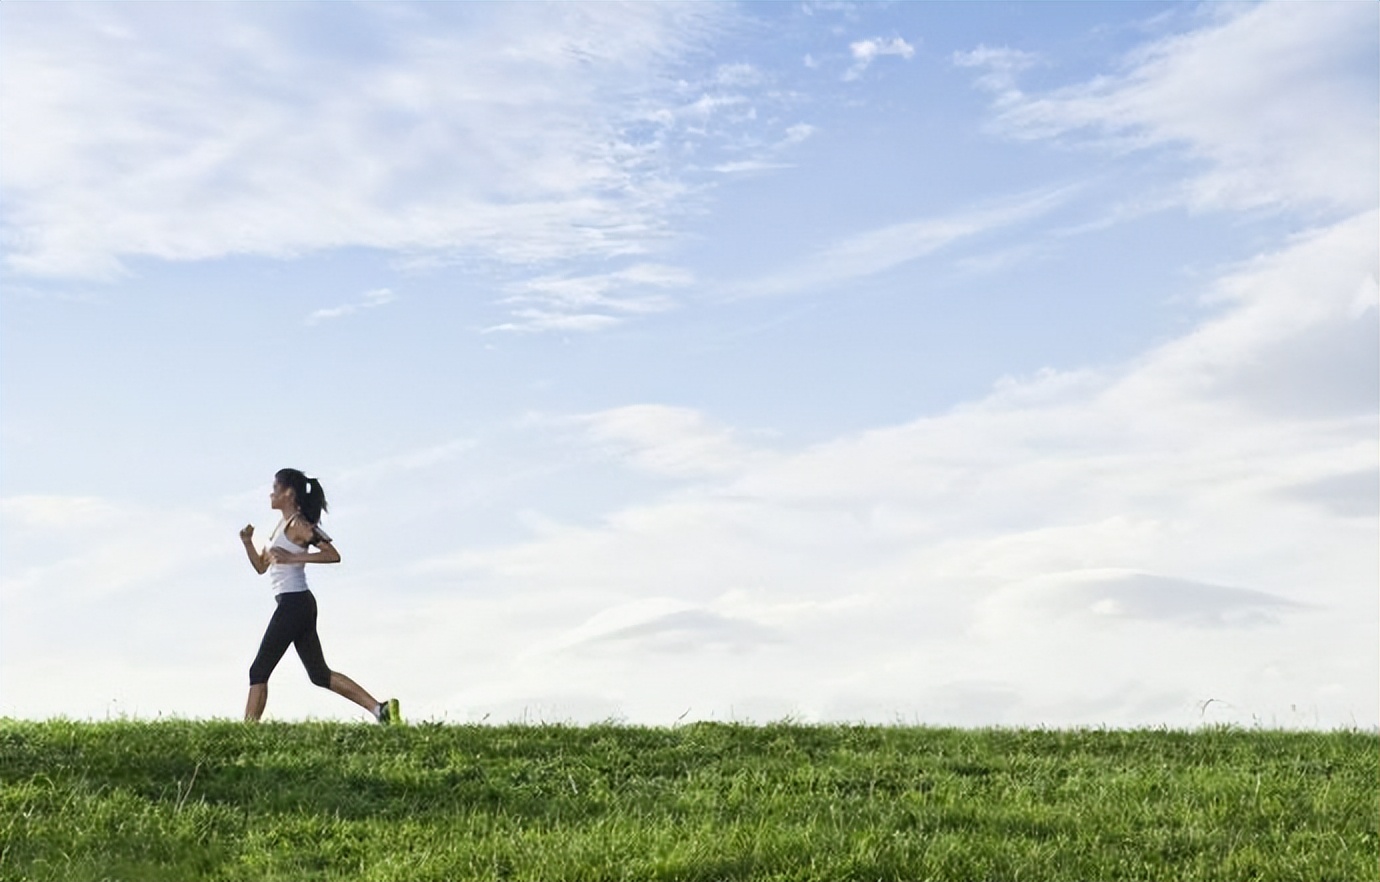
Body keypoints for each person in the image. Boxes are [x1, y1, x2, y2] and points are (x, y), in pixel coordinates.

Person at [239, 468, 399, 724]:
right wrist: (247, 542)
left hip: (295, 603)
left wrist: (295, 557)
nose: (271, 493)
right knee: (319, 674)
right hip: (295, 604)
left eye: (275, 488)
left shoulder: (300, 525)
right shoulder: (281, 526)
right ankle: (381, 709)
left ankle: (245, 734)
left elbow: (332, 554)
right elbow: (261, 567)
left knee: (258, 670)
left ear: (289, 493)